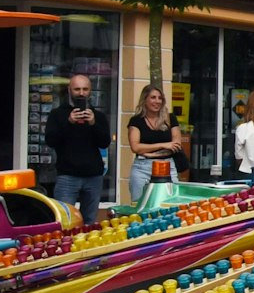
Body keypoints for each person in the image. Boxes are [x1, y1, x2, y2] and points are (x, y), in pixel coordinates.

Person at [46, 73, 111, 224]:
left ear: (90, 91)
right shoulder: (57, 114)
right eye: (77, 89)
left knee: (89, 221)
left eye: (85, 89)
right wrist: (69, 122)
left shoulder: (98, 116)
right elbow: (51, 140)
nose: (81, 93)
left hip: (93, 176)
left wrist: (93, 124)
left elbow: (104, 142)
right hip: (67, 176)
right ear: (69, 90)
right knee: (65, 221)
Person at [125, 83, 185, 203]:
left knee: (172, 203)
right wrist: (163, 145)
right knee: (140, 204)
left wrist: (150, 153)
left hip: (167, 165)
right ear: (145, 99)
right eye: (153, 97)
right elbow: (135, 147)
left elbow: (176, 145)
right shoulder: (136, 120)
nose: (157, 101)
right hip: (142, 167)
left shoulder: (170, 118)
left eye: (160, 98)